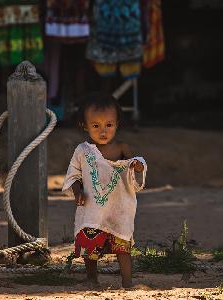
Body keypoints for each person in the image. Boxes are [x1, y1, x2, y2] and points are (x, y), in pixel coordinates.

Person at [62, 92, 147, 288]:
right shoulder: (83, 151)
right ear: (84, 126)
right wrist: (77, 192)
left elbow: (135, 167)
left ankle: (127, 283)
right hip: (93, 209)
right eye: (96, 126)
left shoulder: (122, 148)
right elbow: (73, 175)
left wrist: (138, 166)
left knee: (123, 249)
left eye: (109, 125)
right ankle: (92, 278)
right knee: (90, 248)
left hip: (119, 209)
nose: (103, 131)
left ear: (117, 123)